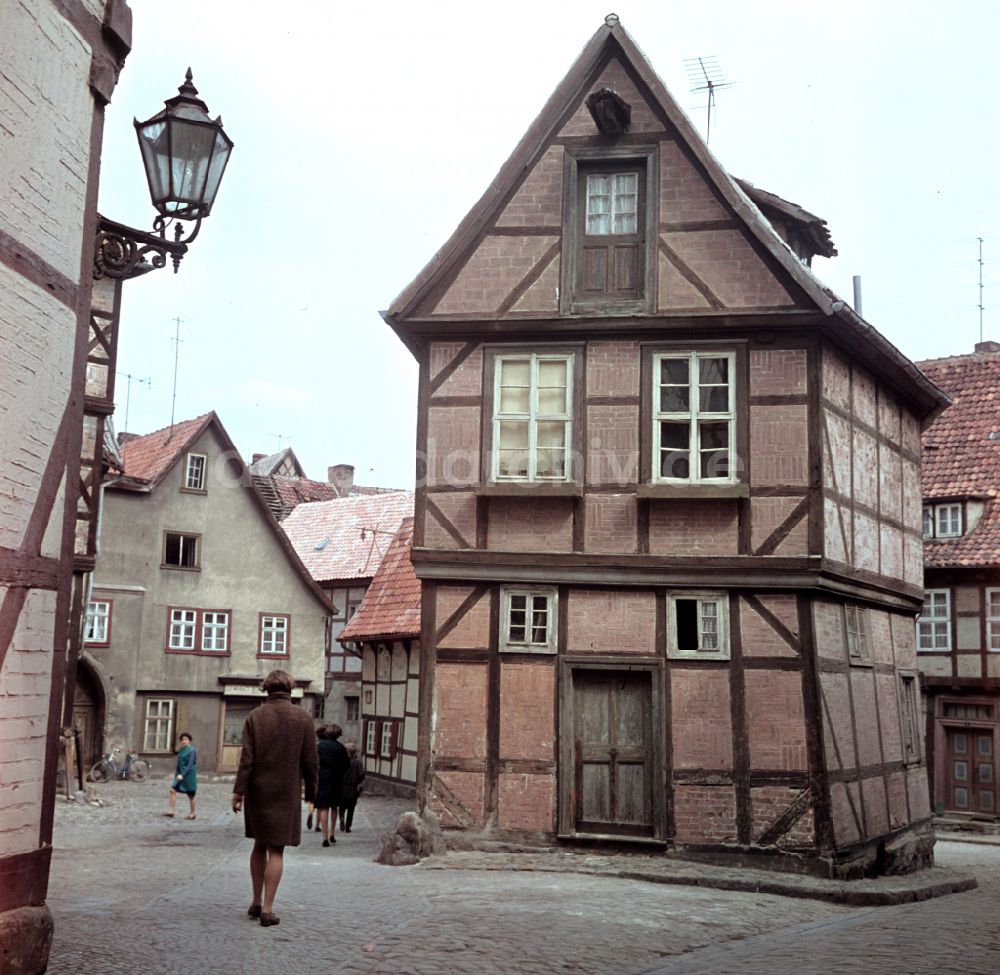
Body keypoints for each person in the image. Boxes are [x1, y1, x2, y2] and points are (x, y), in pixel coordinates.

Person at [232, 670, 318, 928]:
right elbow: (311, 762)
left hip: (258, 790)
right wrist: (312, 793)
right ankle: (268, 909)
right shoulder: (303, 718)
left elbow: (247, 759)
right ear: (291, 688)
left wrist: (239, 791)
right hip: (286, 790)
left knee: (259, 844)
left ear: (266, 689)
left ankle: (256, 901)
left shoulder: (255, 717)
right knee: (276, 850)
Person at [314, 723, 349, 847]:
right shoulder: (341, 748)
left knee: (323, 807)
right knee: (334, 806)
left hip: (324, 777)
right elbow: (346, 765)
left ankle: (324, 837)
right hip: (337, 778)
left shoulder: (320, 746)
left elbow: (315, 761)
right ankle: (332, 834)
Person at [164, 732, 197, 819]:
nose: (184, 741)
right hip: (179, 774)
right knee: (172, 790)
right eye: (182, 739)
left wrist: (183, 775)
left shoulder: (192, 750)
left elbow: (190, 765)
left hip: (189, 775)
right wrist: (177, 774)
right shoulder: (182, 750)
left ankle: (193, 813)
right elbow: (179, 763)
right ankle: (170, 811)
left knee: (191, 794)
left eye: (185, 739)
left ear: (189, 741)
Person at [339, 740, 365, 833]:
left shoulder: (341, 761)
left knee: (342, 807)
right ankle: (348, 826)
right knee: (351, 809)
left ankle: (341, 818)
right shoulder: (358, 763)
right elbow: (362, 775)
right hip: (353, 789)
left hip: (342, 788)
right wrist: (359, 781)